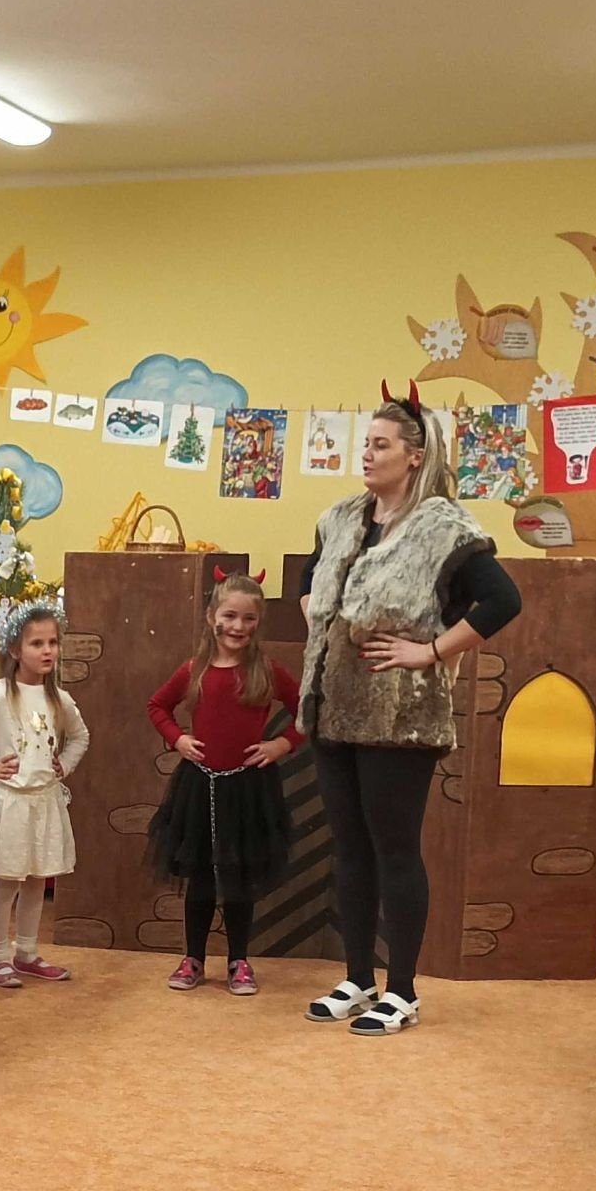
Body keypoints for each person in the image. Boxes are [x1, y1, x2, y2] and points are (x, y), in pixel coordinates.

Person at [297, 385, 521, 1034]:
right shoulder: (340, 518)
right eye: (365, 444)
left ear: (415, 456)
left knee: (394, 848)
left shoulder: (444, 526)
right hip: (332, 702)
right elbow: (309, 581)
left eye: (380, 445)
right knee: (349, 848)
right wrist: (323, 620)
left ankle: (402, 990)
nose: (367, 455)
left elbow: (503, 601)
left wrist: (430, 651)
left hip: (399, 713)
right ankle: (357, 978)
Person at [145, 573, 304, 996]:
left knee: (239, 877)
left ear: (258, 622)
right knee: (200, 875)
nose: (238, 626)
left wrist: (282, 744)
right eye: (230, 615)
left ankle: (239, 960)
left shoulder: (267, 670)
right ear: (211, 616)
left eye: (249, 618)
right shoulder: (193, 670)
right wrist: (178, 739)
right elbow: (157, 705)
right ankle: (193, 958)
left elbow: (306, 710)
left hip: (249, 789)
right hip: (199, 788)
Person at [0, 603, 88, 990]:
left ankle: (27, 953)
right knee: (8, 881)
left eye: (52, 642)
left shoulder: (59, 698)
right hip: (10, 802)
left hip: (44, 800)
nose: (47, 650)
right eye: (36, 643)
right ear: (15, 649)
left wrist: (64, 764)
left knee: (36, 880)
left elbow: (80, 736)